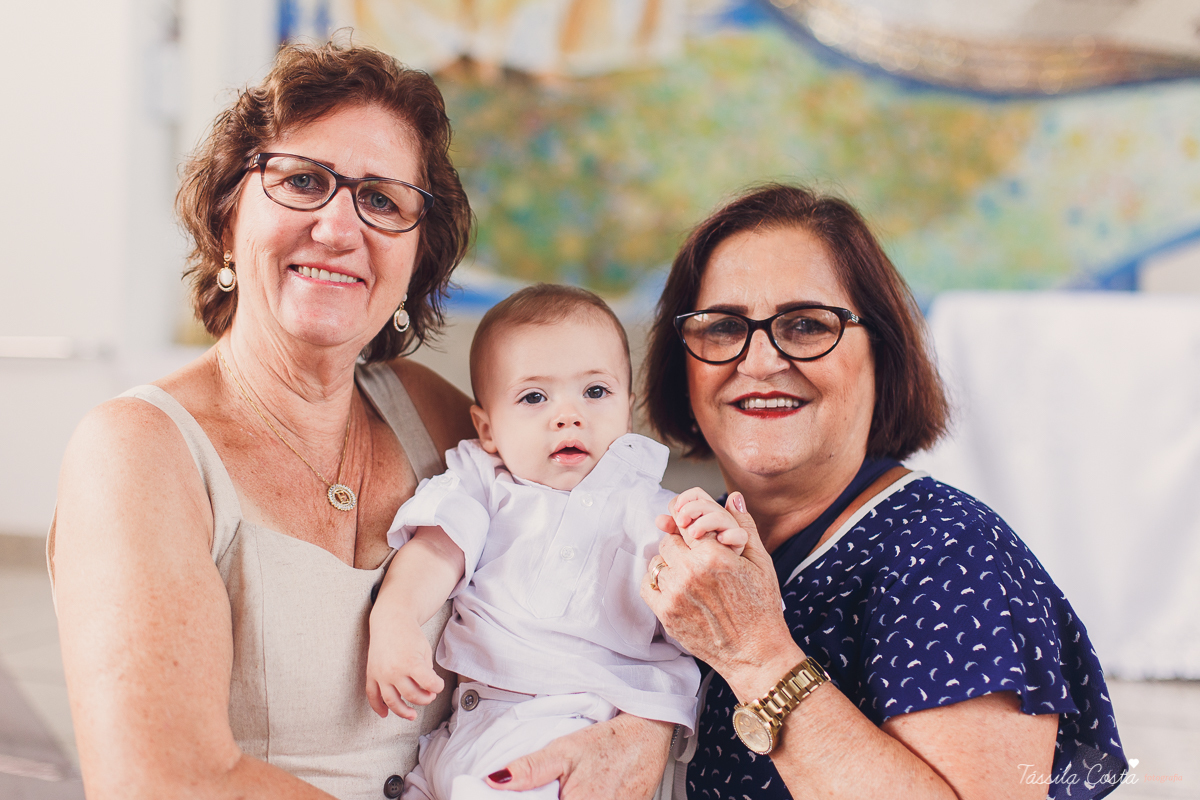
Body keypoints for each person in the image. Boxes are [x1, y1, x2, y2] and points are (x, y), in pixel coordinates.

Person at [50, 42, 671, 800]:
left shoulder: (435, 417)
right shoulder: (137, 451)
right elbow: (163, 782)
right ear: (226, 216)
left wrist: (645, 730)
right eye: (303, 181)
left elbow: (599, 567)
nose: (340, 230)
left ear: (415, 256)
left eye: (381, 200)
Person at [639, 184, 1127, 800]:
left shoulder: (946, 552)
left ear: (883, 354)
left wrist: (757, 656)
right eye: (723, 327)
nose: (759, 361)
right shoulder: (679, 545)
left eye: (807, 324)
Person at [365, 284, 747, 800]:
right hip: (462, 733)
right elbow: (436, 552)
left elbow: (698, 619)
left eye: (595, 392)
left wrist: (717, 548)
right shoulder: (482, 482)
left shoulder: (654, 511)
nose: (568, 415)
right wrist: (395, 619)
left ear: (628, 410)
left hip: (578, 727)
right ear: (488, 428)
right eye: (533, 397)